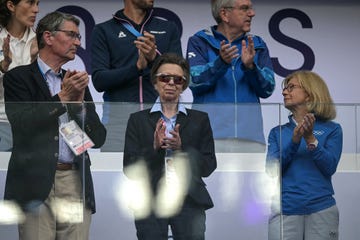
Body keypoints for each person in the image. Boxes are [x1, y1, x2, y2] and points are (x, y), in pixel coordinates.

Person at [3, 11, 106, 239]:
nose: (78, 42)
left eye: (79, 37)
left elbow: (99, 138)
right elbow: (22, 126)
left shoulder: (75, 80)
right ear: (48, 37)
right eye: (72, 35)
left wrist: (79, 107)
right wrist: (61, 99)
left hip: (74, 181)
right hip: (36, 182)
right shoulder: (17, 78)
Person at [123, 53, 217, 240]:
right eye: (165, 78)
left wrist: (181, 149)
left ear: (184, 85)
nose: (171, 83)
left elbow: (209, 165)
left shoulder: (200, 119)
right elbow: (129, 167)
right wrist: (154, 148)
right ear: (155, 82)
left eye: (178, 79)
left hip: (189, 200)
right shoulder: (138, 120)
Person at [91, 0, 183, 152]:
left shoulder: (168, 28)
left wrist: (154, 59)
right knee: (115, 175)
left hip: (162, 124)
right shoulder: (104, 30)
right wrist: (137, 68)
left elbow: (180, 76)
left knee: (164, 175)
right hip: (118, 126)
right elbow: (99, 81)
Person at [186, 0, 275, 152]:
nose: (252, 13)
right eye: (244, 9)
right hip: (208, 136)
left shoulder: (257, 44)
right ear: (224, 14)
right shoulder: (199, 41)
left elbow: (267, 89)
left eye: (251, 8)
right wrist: (220, 62)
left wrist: (251, 68)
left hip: (250, 138)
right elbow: (193, 81)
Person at [266, 70, 342, 240]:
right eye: (285, 88)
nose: (284, 92)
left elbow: (329, 167)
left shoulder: (333, 129)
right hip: (284, 209)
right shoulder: (277, 132)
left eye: (291, 87)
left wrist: (310, 140)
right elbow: (272, 170)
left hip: (322, 209)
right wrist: (294, 141)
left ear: (309, 93)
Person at [0, 0, 39, 151]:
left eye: (37, 3)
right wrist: (3, 66)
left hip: (33, 124)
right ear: (11, 6)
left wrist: (35, 61)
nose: (36, 9)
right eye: (30, 3)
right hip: (2, 121)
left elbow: (48, 87)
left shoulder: (41, 40)